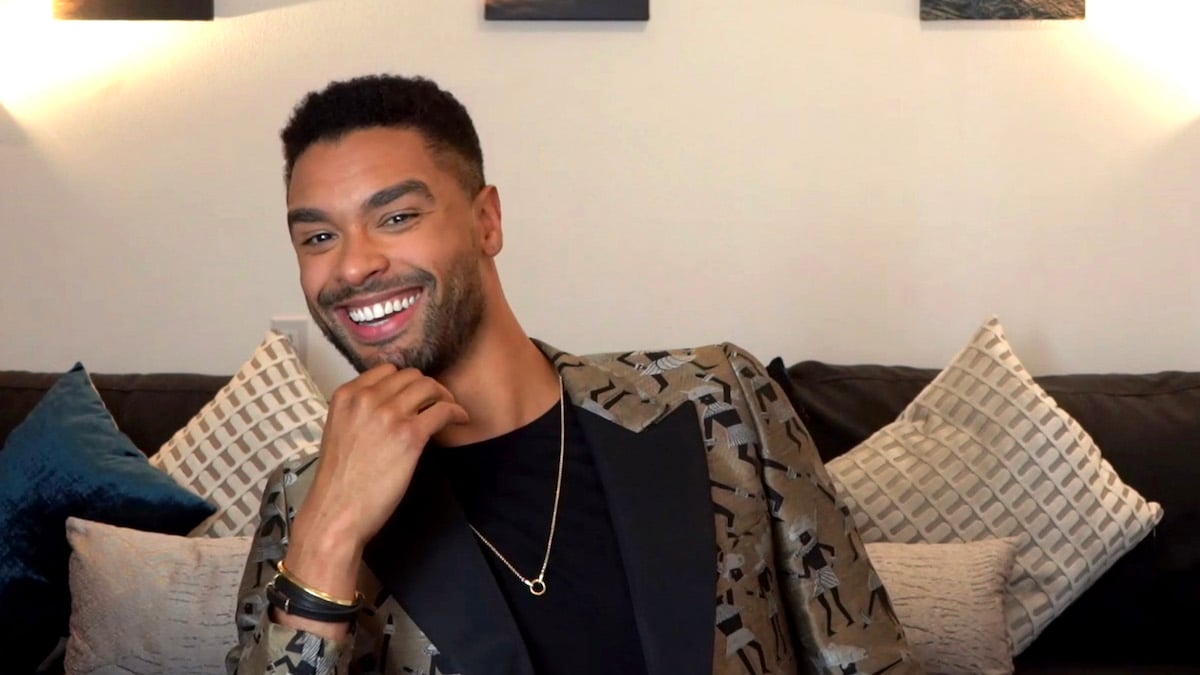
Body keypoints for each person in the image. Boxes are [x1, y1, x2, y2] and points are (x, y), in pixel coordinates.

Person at [227, 74, 919, 675]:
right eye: (318, 236)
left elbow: (866, 654)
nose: (351, 266)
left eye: (397, 216)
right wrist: (328, 540)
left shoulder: (719, 401)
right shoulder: (303, 504)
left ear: (487, 221)